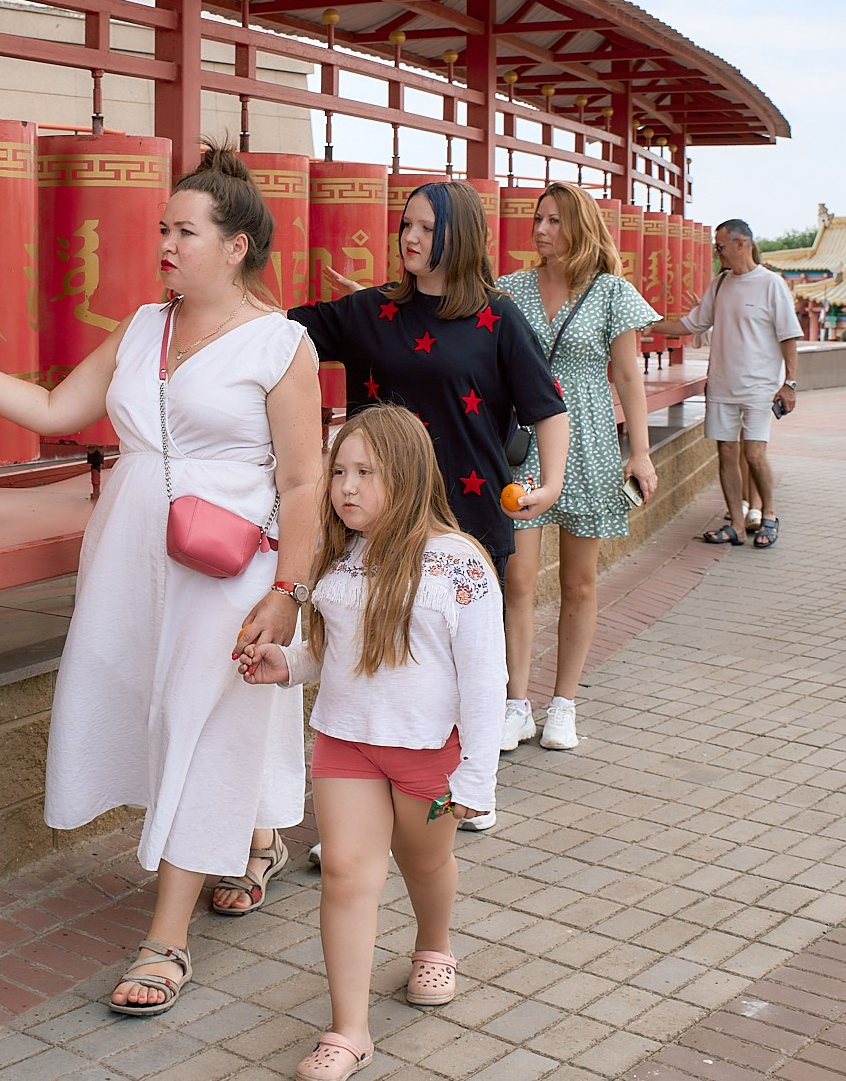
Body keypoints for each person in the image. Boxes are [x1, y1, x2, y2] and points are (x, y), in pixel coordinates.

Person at [0, 143, 322, 1016]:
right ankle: (254, 835)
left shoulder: (283, 345)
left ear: (237, 245)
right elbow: (57, 408)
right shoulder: (141, 326)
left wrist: (288, 590)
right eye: (162, 228)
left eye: (185, 230)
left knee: (196, 718)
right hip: (132, 551)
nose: (165, 242)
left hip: (229, 562)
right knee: (164, 706)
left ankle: (165, 938)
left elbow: (303, 480)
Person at [236, 405, 505, 1081]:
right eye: (339, 472)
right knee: (348, 876)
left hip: (426, 752)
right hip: (345, 743)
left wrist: (477, 776)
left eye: (365, 473)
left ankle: (435, 945)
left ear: (409, 478)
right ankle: (349, 1030)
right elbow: (340, 654)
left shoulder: (458, 563)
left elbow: (484, 676)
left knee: (424, 864)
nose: (345, 487)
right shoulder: (338, 557)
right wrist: (290, 665)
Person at [291, 178, 569, 586]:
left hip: (468, 519)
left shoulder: (497, 317)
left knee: (465, 648)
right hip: (374, 518)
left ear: (463, 236)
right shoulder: (368, 310)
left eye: (427, 229)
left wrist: (552, 485)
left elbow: (547, 407)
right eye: (406, 226)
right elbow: (276, 332)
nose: (410, 237)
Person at [493, 183, 660, 761]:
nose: (540, 230)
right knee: (517, 579)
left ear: (579, 226)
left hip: (589, 444)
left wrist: (639, 452)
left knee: (580, 583)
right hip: (527, 445)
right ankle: (517, 703)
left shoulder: (613, 293)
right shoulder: (509, 289)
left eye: (554, 221)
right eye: (538, 219)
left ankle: (563, 702)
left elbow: (630, 377)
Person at [650, 217, 801, 549]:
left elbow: (789, 336)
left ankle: (769, 516)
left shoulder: (771, 284)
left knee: (755, 453)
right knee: (726, 451)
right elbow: (693, 324)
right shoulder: (719, 284)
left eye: (720, 247)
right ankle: (734, 521)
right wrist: (650, 325)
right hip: (721, 385)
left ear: (740, 243)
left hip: (760, 387)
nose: (718, 254)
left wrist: (789, 383)